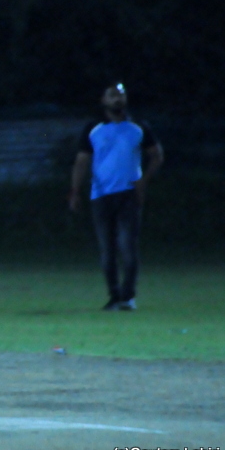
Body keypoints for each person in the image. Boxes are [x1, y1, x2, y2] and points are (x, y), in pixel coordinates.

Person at [68, 82, 164, 311]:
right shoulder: (94, 128)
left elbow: (157, 155)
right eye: (112, 95)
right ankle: (114, 296)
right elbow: (81, 161)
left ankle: (127, 297)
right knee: (107, 250)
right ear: (103, 101)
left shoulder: (138, 127)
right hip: (101, 195)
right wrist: (75, 191)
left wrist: (143, 181)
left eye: (121, 95)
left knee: (127, 246)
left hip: (129, 195)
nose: (117, 99)